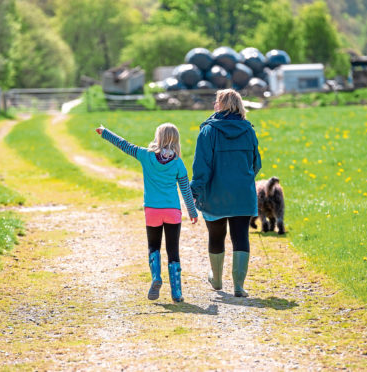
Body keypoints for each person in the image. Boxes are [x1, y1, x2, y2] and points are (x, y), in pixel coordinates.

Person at [96, 123, 198, 302]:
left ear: (158, 138)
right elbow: (185, 189)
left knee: (154, 246)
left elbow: (124, 145)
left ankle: (156, 277)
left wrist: (105, 133)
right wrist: (192, 211)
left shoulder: (145, 155)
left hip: (152, 210)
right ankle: (176, 293)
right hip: (172, 211)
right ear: (176, 140)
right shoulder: (178, 163)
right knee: (173, 250)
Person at [190, 89, 261, 297]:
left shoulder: (208, 131)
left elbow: (202, 167)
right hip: (243, 194)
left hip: (215, 194)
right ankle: (239, 286)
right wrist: (244, 180)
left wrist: (194, 192)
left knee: (216, 235)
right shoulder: (248, 130)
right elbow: (256, 164)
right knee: (240, 237)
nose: (214, 104)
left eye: (216, 101)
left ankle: (218, 280)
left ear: (221, 105)